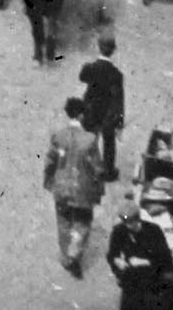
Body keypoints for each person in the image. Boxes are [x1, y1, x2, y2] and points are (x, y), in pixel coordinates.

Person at [43, 96, 106, 277]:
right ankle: (74, 256)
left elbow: (50, 161)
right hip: (82, 190)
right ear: (80, 115)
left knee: (63, 222)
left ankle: (65, 256)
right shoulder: (90, 139)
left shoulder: (58, 136)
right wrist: (98, 190)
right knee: (82, 223)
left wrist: (49, 181)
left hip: (61, 188)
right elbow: (97, 168)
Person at [105, 191, 173, 310]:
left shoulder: (154, 231)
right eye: (125, 222)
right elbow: (112, 254)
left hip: (153, 278)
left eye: (132, 222)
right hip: (131, 278)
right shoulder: (119, 231)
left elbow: (167, 260)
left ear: (138, 218)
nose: (129, 226)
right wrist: (117, 263)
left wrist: (145, 262)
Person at [78, 35, 127, 181]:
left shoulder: (90, 68)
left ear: (98, 47)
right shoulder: (116, 74)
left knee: (89, 139)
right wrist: (119, 121)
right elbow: (118, 99)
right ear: (114, 50)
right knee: (109, 142)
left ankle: (86, 168)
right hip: (107, 114)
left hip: (90, 110)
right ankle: (108, 171)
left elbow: (82, 77)